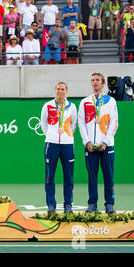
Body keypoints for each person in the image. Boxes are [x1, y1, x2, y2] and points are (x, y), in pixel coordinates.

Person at [78, 73, 119, 214]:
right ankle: (92, 204)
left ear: (102, 84)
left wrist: (106, 142)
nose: (95, 82)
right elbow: (81, 124)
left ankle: (109, 204)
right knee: (92, 177)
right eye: (93, 80)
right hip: (90, 146)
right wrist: (87, 141)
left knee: (108, 176)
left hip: (107, 146)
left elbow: (114, 123)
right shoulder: (84, 102)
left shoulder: (111, 101)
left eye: (98, 80)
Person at [40, 82, 78, 214]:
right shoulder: (48, 106)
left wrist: (66, 134)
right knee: (50, 176)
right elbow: (43, 123)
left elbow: (74, 123)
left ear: (66, 91)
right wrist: (52, 135)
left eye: (62, 89)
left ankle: (68, 205)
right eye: (58, 89)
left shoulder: (72, 107)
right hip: (52, 144)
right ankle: (51, 205)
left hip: (68, 144)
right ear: (55, 90)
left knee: (68, 177)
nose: (60, 91)